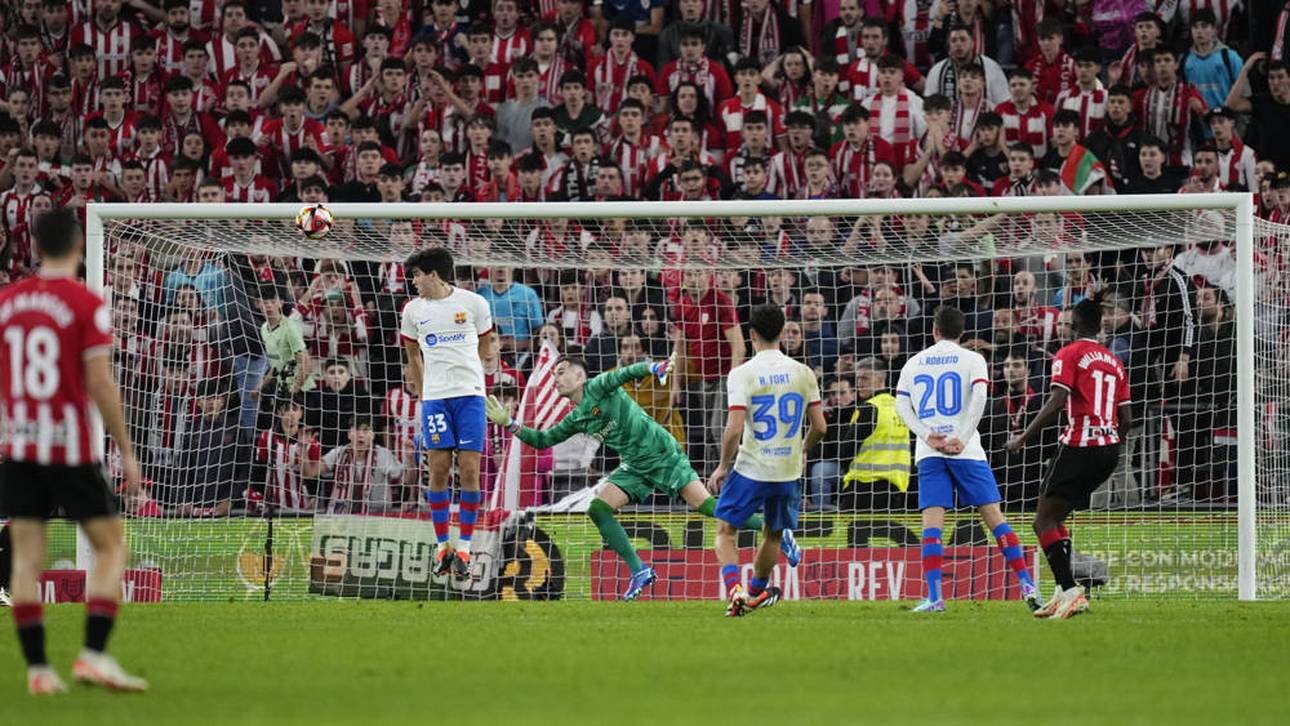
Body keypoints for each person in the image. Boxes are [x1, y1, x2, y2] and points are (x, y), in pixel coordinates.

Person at [483, 351, 790, 602]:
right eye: (553, 375)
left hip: (660, 453)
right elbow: (542, 440)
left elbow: (625, 373)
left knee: (708, 507)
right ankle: (639, 571)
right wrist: (509, 422)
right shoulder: (576, 417)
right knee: (598, 507)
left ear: (580, 376)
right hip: (635, 465)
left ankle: (776, 530)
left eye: (561, 371)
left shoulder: (599, 386)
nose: (555, 378)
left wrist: (653, 367)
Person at [0, 208, 148, 693]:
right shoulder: (86, 303)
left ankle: (39, 671)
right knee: (112, 547)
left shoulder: (7, 303)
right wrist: (125, 451)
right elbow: (101, 383)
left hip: (19, 448)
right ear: (79, 245)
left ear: (36, 246)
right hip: (69, 448)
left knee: (25, 558)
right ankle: (93, 656)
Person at [893, 306, 1040, 613]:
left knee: (932, 526)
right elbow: (980, 398)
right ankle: (1027, 583)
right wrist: (962, 434)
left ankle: (935, 597)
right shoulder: (974, 359)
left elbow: (902, 406)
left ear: (934, 330)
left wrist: (925, 433)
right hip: (967, 450)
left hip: (930, 451)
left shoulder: (913, 363)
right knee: (995, 518)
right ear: (962, 333)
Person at [1006, 299, 1132, 620]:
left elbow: (1057, 401)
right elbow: (1126, 418)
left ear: (1073, 326)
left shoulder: (1069, 353)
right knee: (1057, 516)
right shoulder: (1115, 362)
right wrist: (1110, 443)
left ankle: (1071, 590)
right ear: (1100, 326)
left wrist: (1023, 436)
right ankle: (1063, 593)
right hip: (1109, 449)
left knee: (1042, 521)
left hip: (1079, 445)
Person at [709, 303, 827, 617]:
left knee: (725, 531)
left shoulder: (742, 373)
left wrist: (722, 465)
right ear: (782, 330)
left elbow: (733, 429)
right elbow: (820, 427)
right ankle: (755, 594)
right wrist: (802, 450)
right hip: (787, 471)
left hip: (751, 467)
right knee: (773, 534)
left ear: (751, 334)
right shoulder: (803, 372)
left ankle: (736, 592)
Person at [400, 247, 493, 579]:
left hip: (470, 397)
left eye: (416, 275)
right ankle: (443, 548)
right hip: (437, 400)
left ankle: (464, 550)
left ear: (433, 275)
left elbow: (486, 343)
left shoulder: (474, 304)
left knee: (469, 471)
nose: (413, 282)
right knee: (437, 470)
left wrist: (478, 373)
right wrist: (425, 395)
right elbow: (413, 357)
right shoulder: (412, 311)